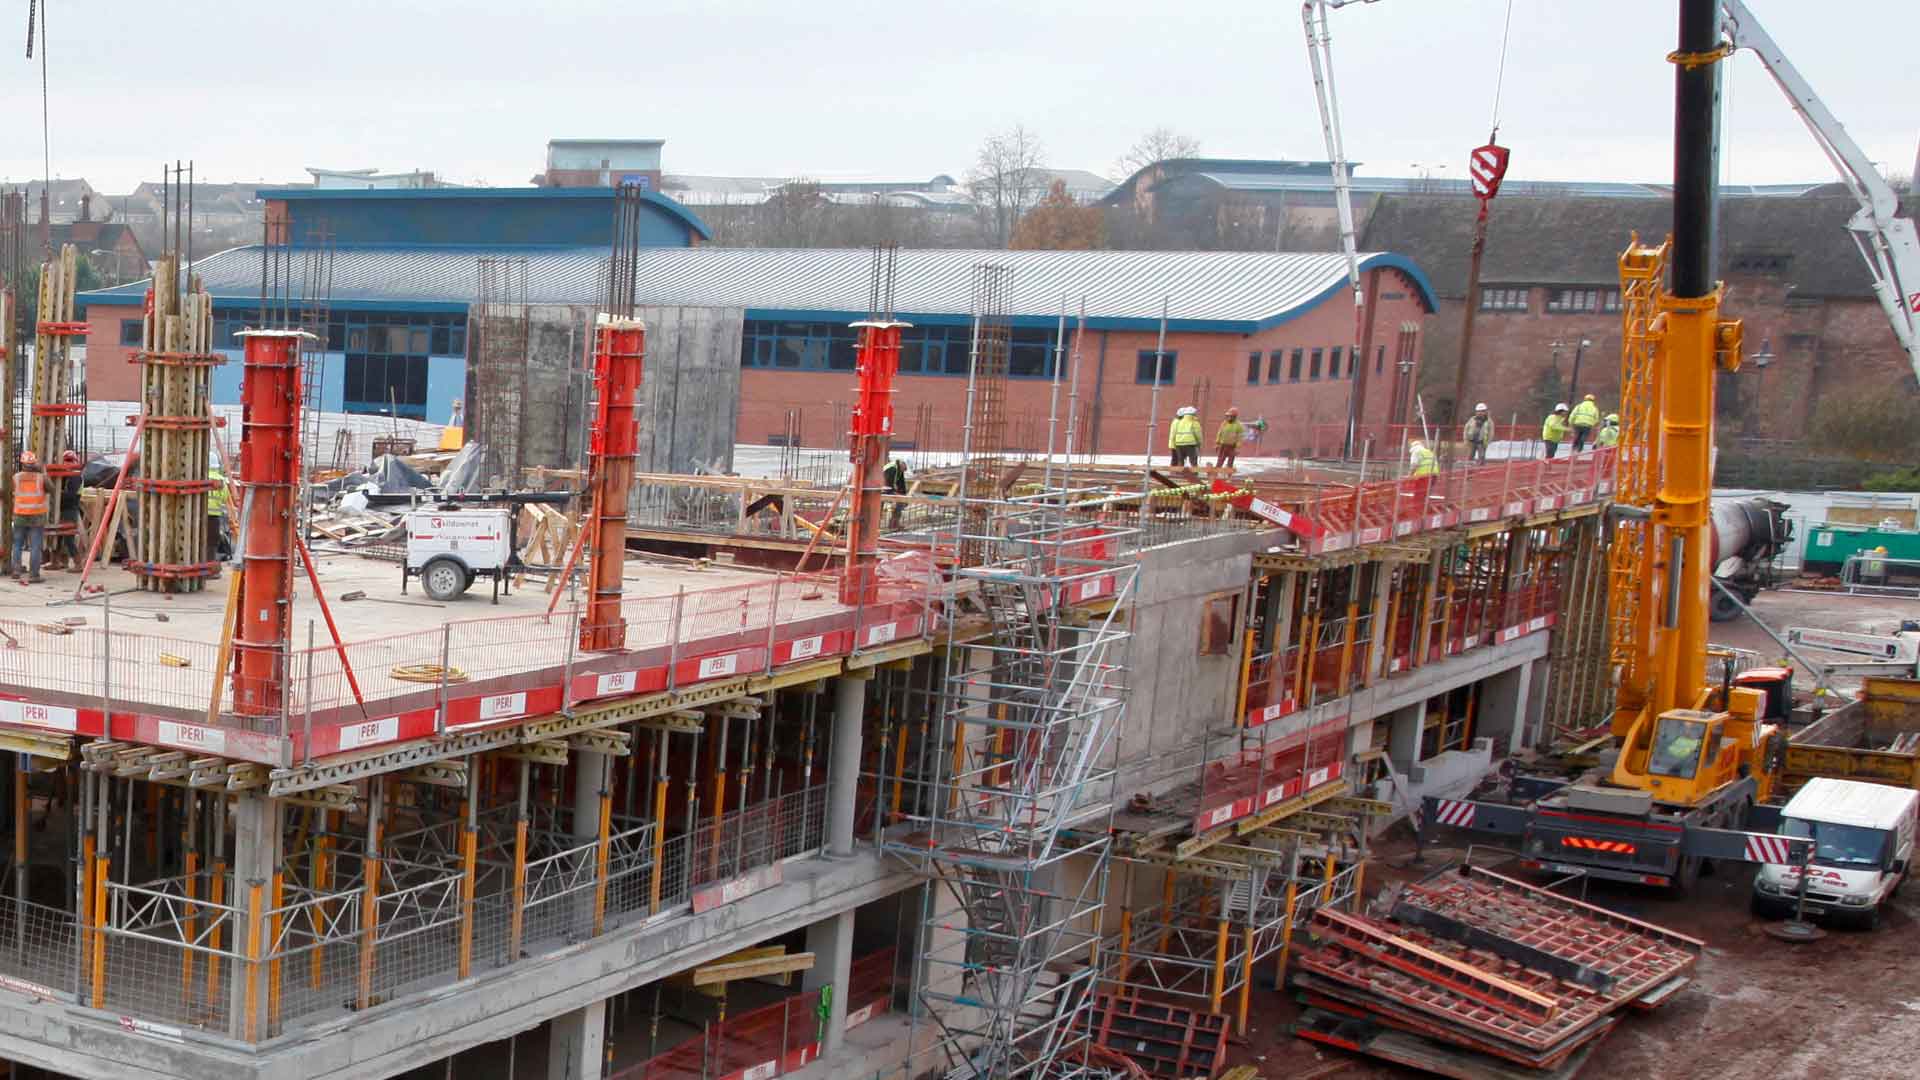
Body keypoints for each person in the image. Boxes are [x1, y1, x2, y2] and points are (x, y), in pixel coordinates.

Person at [11, 451, 48, 585]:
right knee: (35, 546)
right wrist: (43, 471)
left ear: (22, 463)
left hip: (20, 515)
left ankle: (16, 570)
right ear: (34, 464)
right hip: (36, 516)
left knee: (17, 544)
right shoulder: (41, 477)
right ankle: (34, 575)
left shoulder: (16, 477)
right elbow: (51, 488)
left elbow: (11, 492)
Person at [45, 450, 83, 572]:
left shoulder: (75, 477)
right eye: (66, 461)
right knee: (56, 536)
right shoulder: (63, 475)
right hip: (60, 508)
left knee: (68, 536)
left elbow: (71, 495)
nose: (67, 464)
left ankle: (78, 564)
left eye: (69, 461)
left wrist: (56, 493)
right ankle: (55, 562)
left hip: (69, 509)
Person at [207, 464, 230, 562]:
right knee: (211, 543)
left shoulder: (200, 477)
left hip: (197, 516)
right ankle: (209, 566)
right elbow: (225, 498)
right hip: (214, 517)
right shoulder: (221, 481)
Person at [882, 457, 908, 527]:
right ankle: (893, 523)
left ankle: (894, 523)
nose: (903, 471)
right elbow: (887, 483)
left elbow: (901, 483)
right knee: (900, 501)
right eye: (903, 469)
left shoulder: (899, 469)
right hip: (882, 490)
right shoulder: (892, 468)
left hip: (887, 489)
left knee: (902, 500)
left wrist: (904, 495)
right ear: (901, 464)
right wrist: (896, 493)